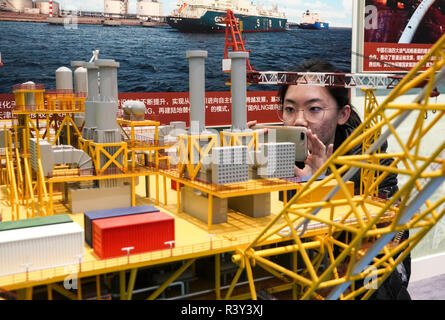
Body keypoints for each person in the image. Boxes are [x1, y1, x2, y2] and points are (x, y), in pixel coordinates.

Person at [251, 59, 410, 300]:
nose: (299, 120)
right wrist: (249, 164)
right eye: (289, 109)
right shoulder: (272, 156)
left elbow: (392, 260)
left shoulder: (372, 160)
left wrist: (323, 183)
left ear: (342, 114)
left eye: (314, 109)